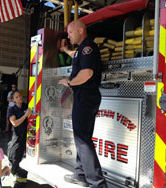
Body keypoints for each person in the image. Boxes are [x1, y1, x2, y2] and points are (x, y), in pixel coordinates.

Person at [58, 20, 107, 188]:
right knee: (81, 137)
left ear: (80, 30)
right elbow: (77, 56)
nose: (68, 36)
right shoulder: (81, 50)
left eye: (70, 33)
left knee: (82, 139)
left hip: (85, 96)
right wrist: (65, 50)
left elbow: (86, 73)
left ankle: (97, 183)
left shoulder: (89, 48)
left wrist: (70, 82)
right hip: (84, 96)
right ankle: (80, 174)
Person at [7, 90, 31, 188]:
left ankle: (22, 179)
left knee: (26, 157)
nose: (19, 98)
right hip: (17, 136)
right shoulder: (12, 110)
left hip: (28, 135)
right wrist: (26, 115)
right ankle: (17, 175)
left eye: (20, 95)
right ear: (13, 100)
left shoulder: (26, 106)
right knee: (14, 155)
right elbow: (15, 123)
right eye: (16, 97)